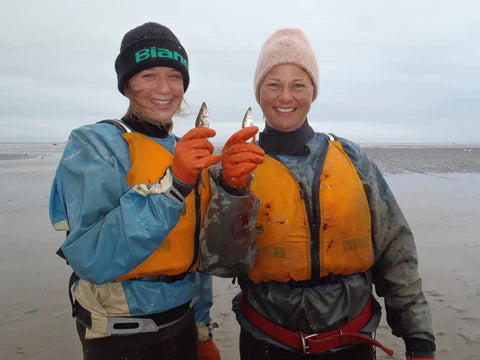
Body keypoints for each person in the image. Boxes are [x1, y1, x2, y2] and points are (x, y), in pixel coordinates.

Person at [200, 28, 436, 359]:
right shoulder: (233, 167)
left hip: (352, 342)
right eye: (273, 84)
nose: (286, 97)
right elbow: (221, 263)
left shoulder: (353, 159)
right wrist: (231, 192)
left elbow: (395, 248)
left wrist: (419, 336)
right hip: (266, 342)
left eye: (298, 84)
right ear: (258, 93)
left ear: (313, 92)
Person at [49, 22, 222, 360]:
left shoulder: (185, 150)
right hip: (120, 333)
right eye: (148, 75)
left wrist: (202, 328)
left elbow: (194, 255)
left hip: (183, 322)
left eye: (174, 76)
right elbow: (94, 258)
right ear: (126, 83)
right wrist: (176, 187)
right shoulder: (94, 144)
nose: (164, 88)